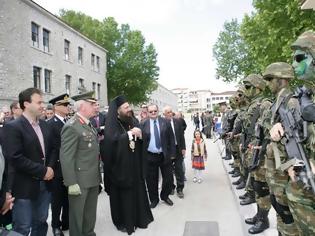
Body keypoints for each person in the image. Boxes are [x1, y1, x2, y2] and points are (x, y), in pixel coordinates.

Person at [2, 87, 54, 236]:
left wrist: (50, 167)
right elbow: (15, 158)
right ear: (26, 104)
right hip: (24, 187)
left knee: (41, 222)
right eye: (39, 102)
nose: (42, 106)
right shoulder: (12, 127)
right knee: (23, 227)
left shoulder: (45, 125)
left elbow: (52, 149)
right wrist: (43, 171)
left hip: (45, 185)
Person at [102, 95, 153, 235]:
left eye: (129, 106)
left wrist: (141, 135)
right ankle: (124, 222)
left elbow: (144, 136)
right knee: (124, 197)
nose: (129, 109)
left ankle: (139, 218)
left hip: (135, 166)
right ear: (118, 110)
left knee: (137, 192)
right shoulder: (112, 124)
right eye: (126, 107)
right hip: (120, 170)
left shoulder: (132, 120)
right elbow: (111, 144)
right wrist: (129, 134)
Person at [60, 91, 101, 236]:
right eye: (92, 104)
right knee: (77, 216)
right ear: (83, 106)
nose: (96, 107)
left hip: (92, 177)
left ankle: (89, 233)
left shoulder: (88, 124)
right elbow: (66, 156)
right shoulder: (72, 126)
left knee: (90, 214)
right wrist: (71, 182)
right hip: (79, 180)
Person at [141, 104, 176, 209]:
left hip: (164, 155)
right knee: (151, 180)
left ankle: (164, 196)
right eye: (151, 111)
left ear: (158, 111)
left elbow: (171, 139)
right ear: (147, 112)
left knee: (168, 178)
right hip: (150, 156)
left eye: (155, 111)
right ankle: (154, 199)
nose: (153, 113)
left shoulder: (165, 122)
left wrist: (173, 154)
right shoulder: (143, 124)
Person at [47, 94, 71, 236]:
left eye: (68, 104)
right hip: (57, 168)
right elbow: (52, 149)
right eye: (65, 105)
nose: (68, 107)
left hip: (69, 168)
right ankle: (56, 226)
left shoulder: (68, 122)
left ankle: (66, 221)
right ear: (56, 107)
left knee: (68, 198)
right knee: (57, 200)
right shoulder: (50, 124)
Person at [163, 106, 186, 199]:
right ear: (164, 114)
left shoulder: (178, 121)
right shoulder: (162, 123)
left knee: (179, 169)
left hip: (178, 149)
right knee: (168, 171)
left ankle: (180, 189)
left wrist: (183, 148)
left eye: (171, 112)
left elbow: (181, 136)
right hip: (168, 151)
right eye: (167, 112)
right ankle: (171, 187)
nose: (170, 114)